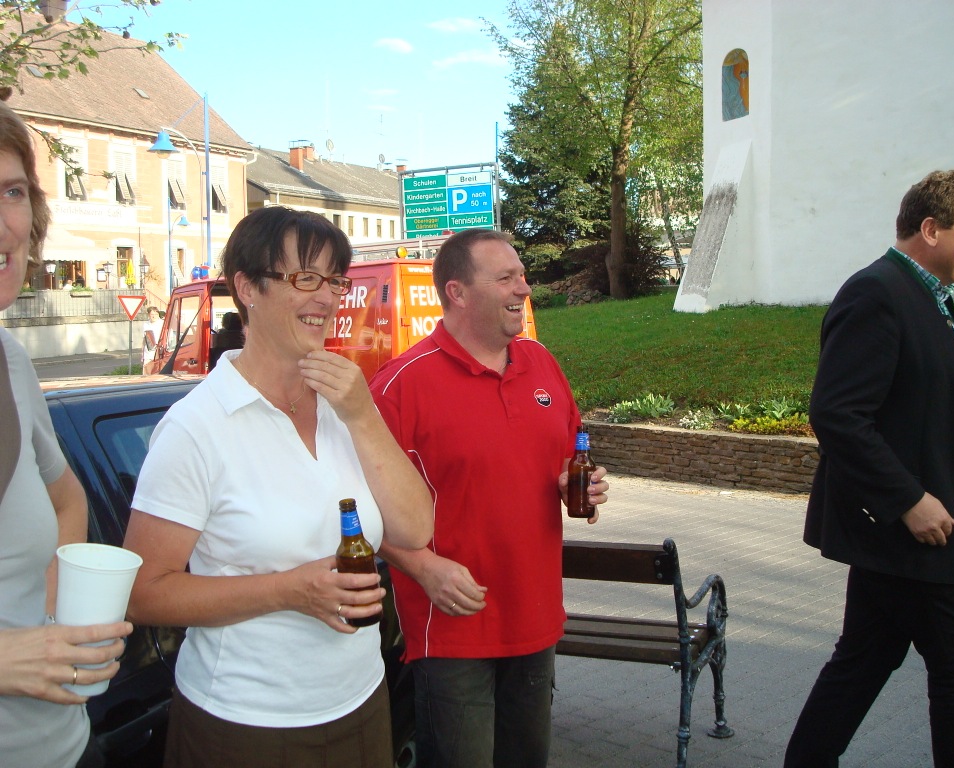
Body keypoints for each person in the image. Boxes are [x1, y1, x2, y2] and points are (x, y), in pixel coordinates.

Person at [122, 205, 433, 768]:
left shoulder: (344, 404)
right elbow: (142, 592)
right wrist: (289, 591)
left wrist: (363, 416)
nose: (327, 298)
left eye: (335, 280)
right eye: (305, 278)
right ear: (247, 288)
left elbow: (415, 529)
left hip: (361, 700)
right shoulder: (196, 427)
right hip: (246, 722)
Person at [783, 170, 954, 768]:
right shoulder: (877, 293)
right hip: (907, 527)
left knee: (865, 659)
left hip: (906, 527)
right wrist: (908, 501)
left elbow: (912, 394)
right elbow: (838, 414)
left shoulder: (927, 296)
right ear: (931, 229)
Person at [369, 228, 610, 768]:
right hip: (453, 627)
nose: (524, 288)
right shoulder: (399, 385)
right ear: (457, 292)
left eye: (522, 275)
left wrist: (579, 484)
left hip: (535, 617)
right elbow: (358, 511)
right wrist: (423, 567)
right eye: (506, 278)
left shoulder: (540, 363)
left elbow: (569, 455)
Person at [0, 100, 132, 768]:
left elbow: (67, 498)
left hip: (64, 745)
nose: (3, 221)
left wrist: (55, 615)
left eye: (12, 192)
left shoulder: (10, 361)